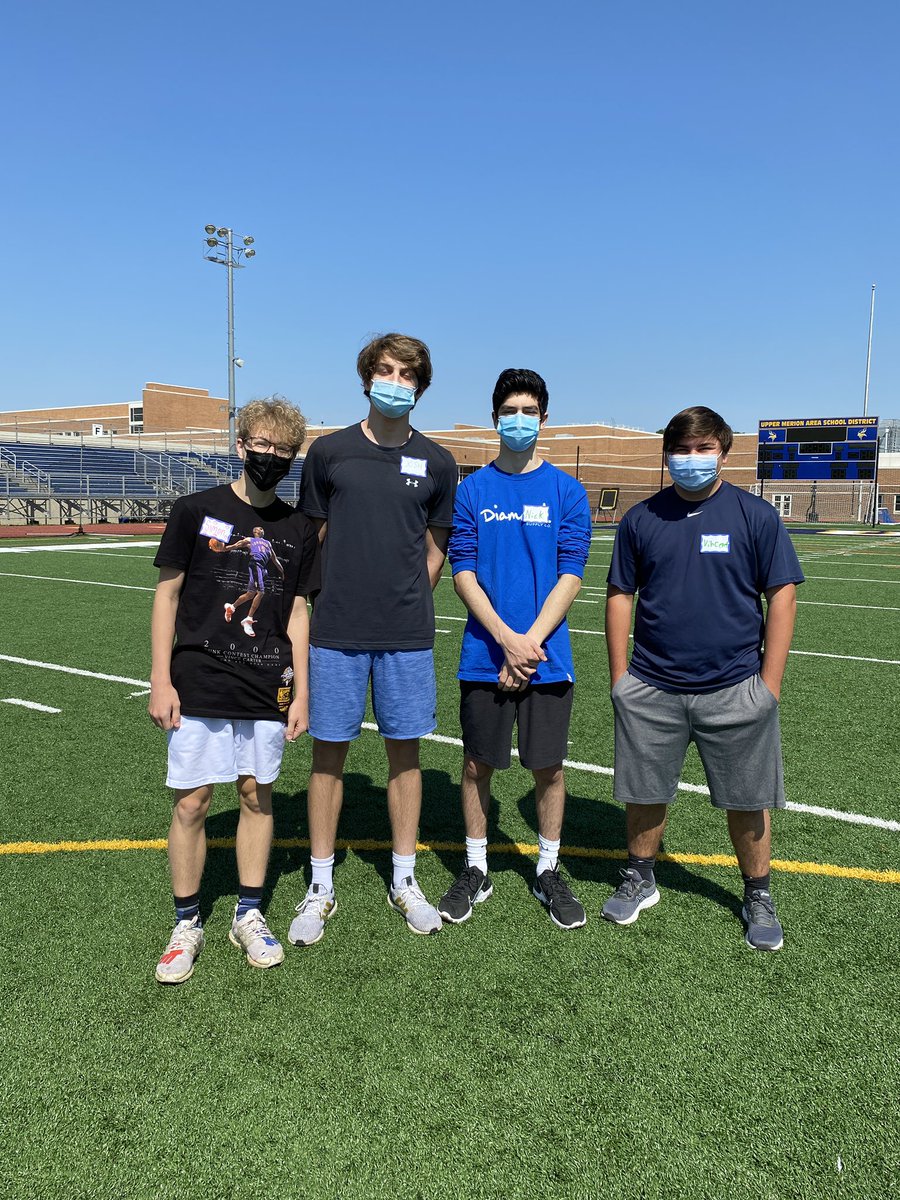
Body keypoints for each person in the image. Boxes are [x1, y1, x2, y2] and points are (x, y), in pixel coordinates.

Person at [602, 405, 804, 950]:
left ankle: (757, 892)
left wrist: (770, 685)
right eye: (682, 449)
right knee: (644, 791)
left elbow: (781, 594)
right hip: (652, 685)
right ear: (667, 453)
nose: (691, 459)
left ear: (724, 451)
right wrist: (621, 676)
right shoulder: (642, 518)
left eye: (703, 448)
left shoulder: (755, 516)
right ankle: (640, 876)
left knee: (747, 797)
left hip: (735, 686)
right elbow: (620, 594)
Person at [289, 333, 457, 944]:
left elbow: (437, 545)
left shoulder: (439, 463)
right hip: (335, 630)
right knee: (328, 754)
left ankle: (405, 878)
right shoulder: (329, 453)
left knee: (404, 754)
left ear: (420, 384)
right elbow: (315, 539)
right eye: (384, 370)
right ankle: (320, 884)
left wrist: (410, 594)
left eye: (406, 373)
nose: (395, 380)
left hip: (406, 634)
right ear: (367, 378)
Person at [150, 397, 320, 983]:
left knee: (255, 795)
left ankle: (248, 913)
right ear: (242, 443)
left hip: (267, 683)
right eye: (262, 445)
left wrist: (300, 690)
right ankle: (186, 922)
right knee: (193, 801)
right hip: (197, 678)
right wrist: (160, 677)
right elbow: (167, 596)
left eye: (283, 449)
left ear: (293, 456)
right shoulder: (195, 509)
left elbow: (297, 611)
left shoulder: (298, 527)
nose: (270, 456)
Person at [438, 368, 592, 930]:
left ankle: (549, 868)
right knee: (477, 764)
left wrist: (528, 646)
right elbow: (463, 571)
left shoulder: (566, 491)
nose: (520, 420)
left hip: (547, 658)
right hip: (486, 653)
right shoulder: (473, 490)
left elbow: (571, 574)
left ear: (544, 418)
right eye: (510, 410)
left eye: (530, 410)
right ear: (495, 417)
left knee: (547, 767)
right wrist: (506, 640)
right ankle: (475, 867)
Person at [223, 525, 285, 637]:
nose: (258, 529)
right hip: (255, 564)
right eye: (256, 528)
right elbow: (236, 545)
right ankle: (248, 619)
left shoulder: (268, 544)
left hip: (261, 568)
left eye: (261, 528)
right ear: (253, 532)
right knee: (261, 592)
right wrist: (224, 549)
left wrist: (282, 571)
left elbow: (275, 560)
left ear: (263, 532)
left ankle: (232, 607)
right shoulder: (249, 540)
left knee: (250, 595)